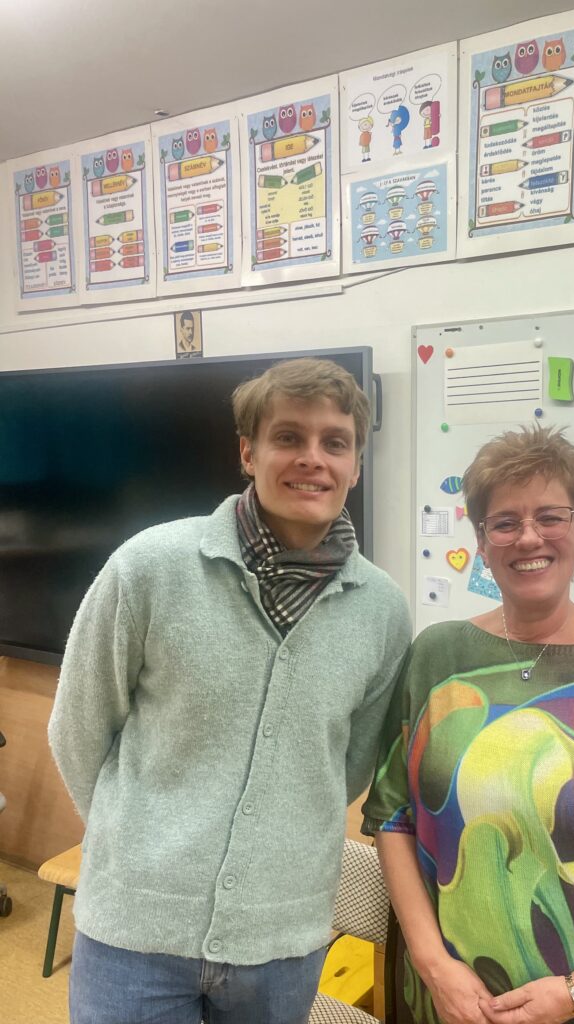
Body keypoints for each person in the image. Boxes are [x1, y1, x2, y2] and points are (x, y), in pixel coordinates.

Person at [49, 357, 411, 1024]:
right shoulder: (149, 567)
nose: (313, 458)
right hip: (133, 932)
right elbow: (77, 727)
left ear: (356, 465)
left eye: (335, 442)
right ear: (248, 452)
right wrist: (133, 847)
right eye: (288, 437)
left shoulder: (383, 611)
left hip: (282, 941)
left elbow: (347, 765)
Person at [363, 425, 574, 1024]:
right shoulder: (437, 656)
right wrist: (433, 965)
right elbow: (392, 816)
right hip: (450, 1001)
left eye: (551, 517)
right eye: (505, 522)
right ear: (481, 541)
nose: (529, 537)